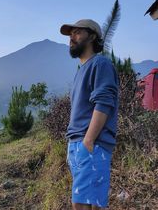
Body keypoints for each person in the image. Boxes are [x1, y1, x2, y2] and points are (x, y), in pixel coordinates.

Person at [60, 19, 119, 210]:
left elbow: (104, 102)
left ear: (92, 36)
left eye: (77, 32)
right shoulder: (82, 70)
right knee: (92, 201)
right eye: (70, 35)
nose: (71, 38)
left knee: (80, 203)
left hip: (91, 144)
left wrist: (88, 141)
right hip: (78, 144)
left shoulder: (100, 64)